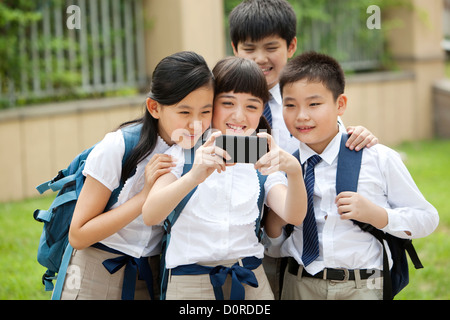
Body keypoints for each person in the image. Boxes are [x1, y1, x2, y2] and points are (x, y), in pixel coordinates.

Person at [266, 51, 439, 300]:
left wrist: (377, 215)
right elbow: (274, 247)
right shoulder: (283, 167)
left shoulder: (377, 158)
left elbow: (427, 218)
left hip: (362, 287)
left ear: (340, 105)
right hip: (299, 285)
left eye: (314, 104)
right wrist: (275, 225)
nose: (301, 115)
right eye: (290, 105)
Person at [142, 56, 307, 300]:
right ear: (211, 105)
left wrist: (293, 172)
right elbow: (151, 214)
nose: (239, 116)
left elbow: (293, 215)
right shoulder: (184, 152)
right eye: (228, 103)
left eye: (252, 106)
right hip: (190, 284)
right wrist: (193, 177)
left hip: (250, 279)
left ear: (262, 110)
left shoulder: (262, 159)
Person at [59, 51, 215, 299]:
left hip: (150, 271)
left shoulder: (202, 147)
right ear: (154, 107)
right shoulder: (117, 146)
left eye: (205, 112)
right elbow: (78, 235)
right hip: (96, 271)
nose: (196, 124)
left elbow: (258, 148)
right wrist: (144, 197)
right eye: (184, 112)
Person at [228, 0, 378, 154]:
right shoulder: (222, 102)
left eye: (271, 48)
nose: (260, 59)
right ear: (235, 49)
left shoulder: (310, 100)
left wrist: (358, 136)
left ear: (291, 47)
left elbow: (337, 145)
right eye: (249, 49)